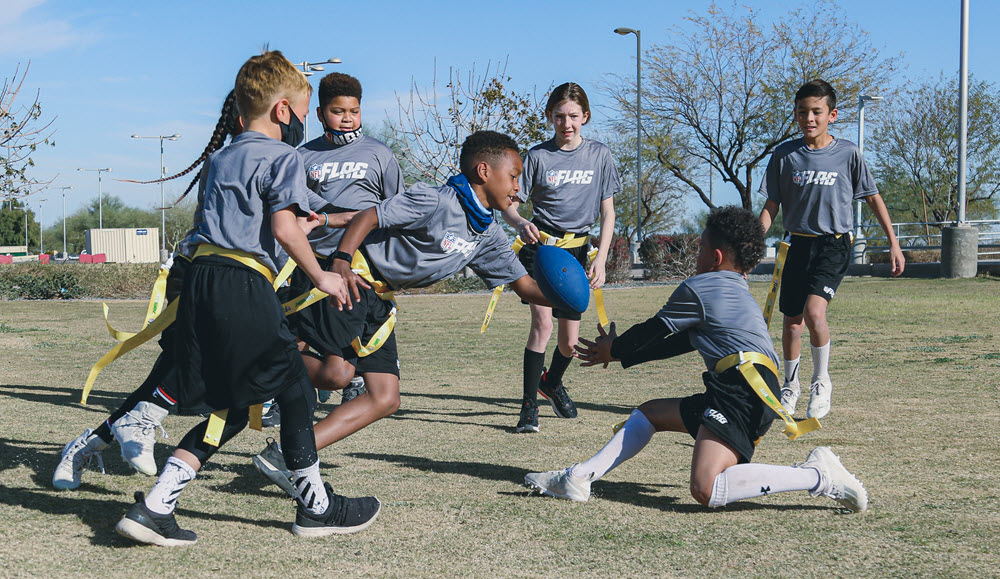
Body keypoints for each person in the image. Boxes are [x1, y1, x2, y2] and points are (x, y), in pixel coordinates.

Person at [114, 51, 379, 547]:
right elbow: (281, 227)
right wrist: (322, 275)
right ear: (284, 111)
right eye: (302, 111)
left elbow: (237, 226)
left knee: (237, 401)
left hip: (202, 281)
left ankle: (156, 505)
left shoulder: (222, 156)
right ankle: (318, 509)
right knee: (297, 390)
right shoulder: (284, 156)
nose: (303, 121)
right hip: (243, 285)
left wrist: (290, 230)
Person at [252, 130, 556, 497]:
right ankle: (251, 363)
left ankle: (285, 455)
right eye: (514, 175)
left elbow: (525, 287)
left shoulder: (487, 234)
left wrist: (573, 295)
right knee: (337, 375)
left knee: (385, 397)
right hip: (352, 278)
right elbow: (368, 217)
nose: (518, 188)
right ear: (484, 171)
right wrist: (342, 261)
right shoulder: (435, 199)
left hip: (379, 300)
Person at [524, 206, 868, 513]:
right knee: (650, 413)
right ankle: (580, 478)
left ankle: (818, 476)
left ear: (715, 256)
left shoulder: (700, 287)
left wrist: (614, 349)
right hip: (748, 383)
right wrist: (619, 357)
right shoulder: (734, 287)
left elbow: (654, 331)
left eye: (701, 246)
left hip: (743, 386)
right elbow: (681, 342)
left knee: (706, 488)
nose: (697, 252)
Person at [53, 90, 242, 491]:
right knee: (185, 376)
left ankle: (94, 445)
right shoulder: (231, 161)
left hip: (242, 281)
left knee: (180, 383)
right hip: (204, 277)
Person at [759, 79, 904, 420]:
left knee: (814, 312)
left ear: (832, 115)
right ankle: (790, 385)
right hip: (796, 245)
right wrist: (751, 241)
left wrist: (894, 244)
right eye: (802, 112)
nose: (809, 118)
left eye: (816, 112)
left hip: (834, 245)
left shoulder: (848, 153)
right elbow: (771, 205)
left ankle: (821, 382)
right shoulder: (785, 156)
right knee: (792, 323)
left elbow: (873, 198)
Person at [499, 82, 618, 433]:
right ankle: (527, 409)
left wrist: (601, 259)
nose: (566, 124)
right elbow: (509, 204)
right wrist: (520, 223)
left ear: (586, 117)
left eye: (573, 117)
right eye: (559, 116)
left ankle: (551, 383)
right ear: (550, 117)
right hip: (544, 251)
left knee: (568, 343)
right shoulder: (536, 157)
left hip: (579, 252)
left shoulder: (600, 155)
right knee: (543, 326)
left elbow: (608, 213)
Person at [284, 71, 405, 410]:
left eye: (354, 111)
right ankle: (284, 391)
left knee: (346, 356)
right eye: (338, 111)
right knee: (299, 338)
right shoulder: (302, 157)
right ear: (321, 114)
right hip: (315, 265)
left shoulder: (380, 154)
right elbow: (293, 216)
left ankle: (351, 381)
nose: (348, 118)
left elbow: (397, 210)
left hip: (363, 266)